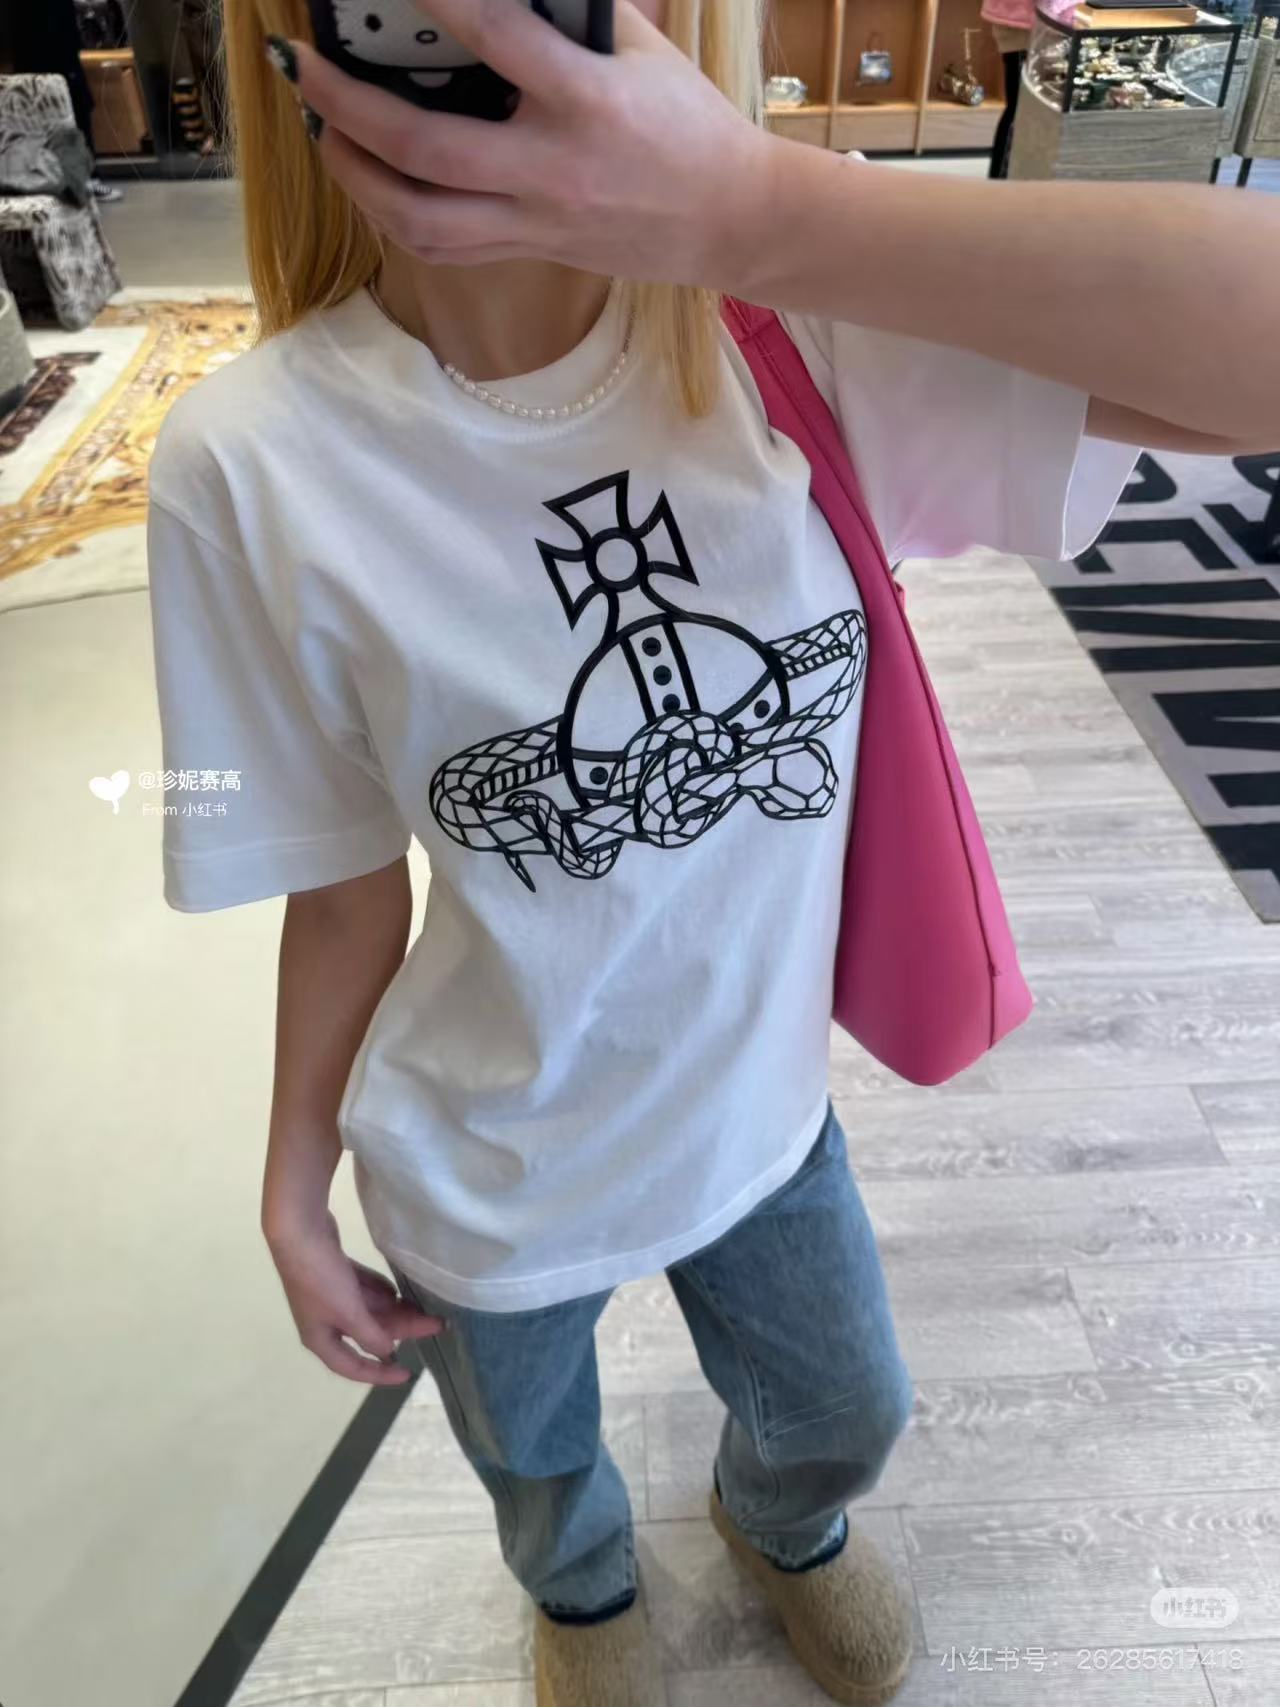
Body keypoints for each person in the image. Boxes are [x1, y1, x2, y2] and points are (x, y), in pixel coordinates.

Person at [145, 0, 1280, 1701]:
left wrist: (756, 207)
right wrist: (291, 1182)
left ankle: (784, 1521)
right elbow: (341, 882)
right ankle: (584, 1592)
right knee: (533, 1459)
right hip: (485, 1161)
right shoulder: (245, 463)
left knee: (848, 1409)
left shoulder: (796, 334)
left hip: (758, 1108)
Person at [10, 0, 123, 201]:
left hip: (42, 47)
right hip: (51, 47)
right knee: (73, 112)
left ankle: (73, 179)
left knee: (63, 113)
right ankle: (85, 180)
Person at [982, 0, 1077, 178]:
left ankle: (1017, 181)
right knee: (1021, 110)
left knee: (1031, 113)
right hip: (1030, 23)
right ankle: (1000, 184)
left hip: (1044, 21)